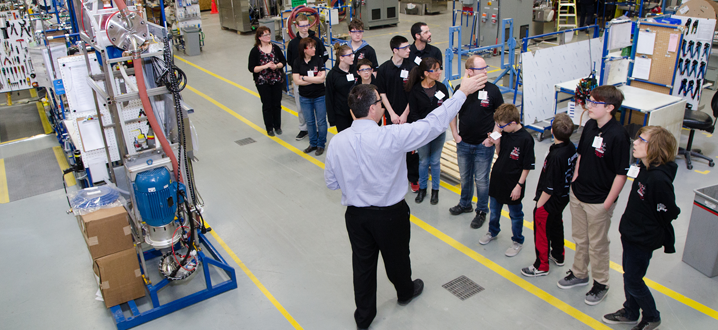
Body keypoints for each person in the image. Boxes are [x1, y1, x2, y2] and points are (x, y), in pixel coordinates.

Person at [324, 72, 487, 330]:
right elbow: (433, 123)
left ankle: (363, 318)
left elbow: (332, 183)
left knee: (363, 265)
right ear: (375, 108)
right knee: (398, 257)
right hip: (390, 214)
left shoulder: (337, 142)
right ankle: (405, 292)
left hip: (356, 216)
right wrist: (462, 92)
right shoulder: (392, 136)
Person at [557, 85, 630, 306]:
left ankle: (601, 283)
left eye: (594, 103)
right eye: (589, 101)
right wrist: (575, 181)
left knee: (597, 244)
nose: (588, 106)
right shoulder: (589, 125)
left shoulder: (618, 136)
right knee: (581, 239)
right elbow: (581, 155)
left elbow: (621, 174)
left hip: (599, 201)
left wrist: (608, 203)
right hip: (578, 194)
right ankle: (579, 273)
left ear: (609, 108)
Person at [602, 126, 680, 330]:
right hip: (630, 232)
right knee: (629, 274)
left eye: (641, 140)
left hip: (642, 238)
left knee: (634, 279)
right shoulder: (644, 168)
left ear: (655, 148)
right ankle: (630, 311)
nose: (635, 143)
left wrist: (648, 226)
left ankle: (651, 316)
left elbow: (669, 210)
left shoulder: (658, 179)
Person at [448, 55, 504, 229]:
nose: (486, 71)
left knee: (481, 180)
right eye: (482, 69)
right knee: (465, 177)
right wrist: (456, 135)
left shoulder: (493, 91)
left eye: (486, 68)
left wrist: (492, 139)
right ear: (470, 72)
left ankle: (481, 211)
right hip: (463, 143)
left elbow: (501, 118)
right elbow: (452, 112)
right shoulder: (461, 90)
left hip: (483, 146)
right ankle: (465, 204)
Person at [521, 113, 577, 277]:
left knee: (542, 230)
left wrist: (539, 206)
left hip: (549, 199)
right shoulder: (570, 147)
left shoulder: (555, 157)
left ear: (552, 131)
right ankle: (558, 255)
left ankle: (541, 265)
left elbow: (549, 187)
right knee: (556, 224)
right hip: (562, 197)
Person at [479, 104, 535, 258]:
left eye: (502, 126)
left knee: (516, 215)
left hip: (513, 184)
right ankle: (493, 231)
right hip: (498, 179)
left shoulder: (526, 139)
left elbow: (527, 166)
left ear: (513, 123)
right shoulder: (505, 134)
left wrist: (519, 186)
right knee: (495, 211)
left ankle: (517, 240)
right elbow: (501, 154)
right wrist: (497, 144)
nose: (500, 128)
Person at [375, 35, 419, 191]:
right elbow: (382, 93)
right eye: (405, 48)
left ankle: (413, 178)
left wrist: (405, 113)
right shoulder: (384, 69)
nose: (409, 50)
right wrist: (392, 114)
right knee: (392, 148)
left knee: (411, 148)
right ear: (395, 50)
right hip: (391, 116)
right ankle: (392, 178)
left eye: (409, 47)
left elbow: (414, 93)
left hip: (409, 115)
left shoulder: (413, 68)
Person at [405, 57, 449, 205]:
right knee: (423, 162)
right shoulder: (415, 90)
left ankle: (435, 191)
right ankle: (422, 189)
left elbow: (446, 110)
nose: (439, 72)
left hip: (438, 132)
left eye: (439, 69)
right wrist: (424, 128)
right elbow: (414, 113)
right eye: (435, 70)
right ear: (426, 73)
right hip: (423, 133)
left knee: (435, 162)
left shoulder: (442, 88)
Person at [287, 14, 328, 141]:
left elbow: (324, 55)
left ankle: (316, 130)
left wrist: (316, 65)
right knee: (301, 106)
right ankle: (304, 128)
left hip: (316, 77)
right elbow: (290, 60)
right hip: (300, 77)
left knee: (318, 107)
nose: (305, 28)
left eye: (307, 25)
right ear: (297, 26)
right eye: (302, 26)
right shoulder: (293, 43)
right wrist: (300, 72)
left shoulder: (316, 40)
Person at [248, 26, 287, 136]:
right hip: (262, 82)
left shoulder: (275, 48)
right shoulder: (255, 51)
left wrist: (276, 66)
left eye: (269, 34)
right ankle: (269, 127)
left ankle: (277, 126)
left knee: (277, 103)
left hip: (276, 80)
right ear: (259, 37)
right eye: (265, 35)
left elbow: (283, 61)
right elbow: (252, 68)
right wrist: (265, 66)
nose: (268, 36)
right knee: (267, 104)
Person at [292, 38, 327, 156]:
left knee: (321, 121)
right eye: (311, 47)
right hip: (305, 97)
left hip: (319, 96)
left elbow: (322, 79)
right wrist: (314, 80)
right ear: (304, 50)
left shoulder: (319, 60)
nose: (314, 49)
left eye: (314, 47)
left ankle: (321, 144)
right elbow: (296, 81)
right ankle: (313, 143)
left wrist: (304, 78)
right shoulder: (297, 62)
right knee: (310, 121)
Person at [326, 44, 357, 132]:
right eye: (349, 55)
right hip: (341, 115)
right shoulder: (332, 75)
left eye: (353, 54)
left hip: (357, 113)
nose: (352, 57)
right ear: (341, 58)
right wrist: (331, 118)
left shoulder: (356, 70)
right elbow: (329, 97)